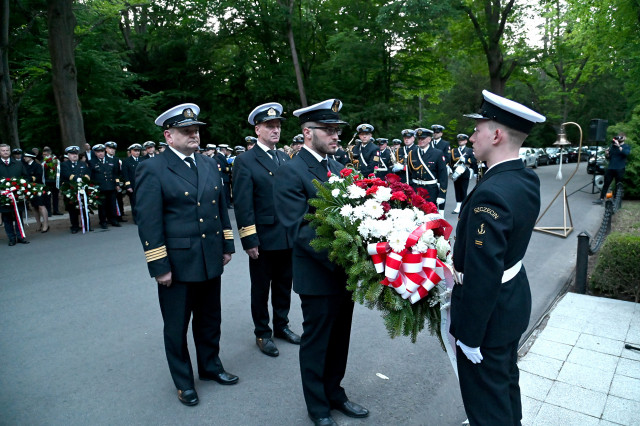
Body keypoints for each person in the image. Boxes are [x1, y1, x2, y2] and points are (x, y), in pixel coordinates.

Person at [449, 90, 545, 426]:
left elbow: (483, 272)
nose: (472, 136)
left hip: (488, 317)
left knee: (486, 405)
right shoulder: (524, 176)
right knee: (504, 388)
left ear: (497, 134)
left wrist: (471, 336)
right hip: (511, 302)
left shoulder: (493, 190)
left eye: (478, 128)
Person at [135, 103, 238, 407]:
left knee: (209, 319)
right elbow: (149, 221)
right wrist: (158, 265)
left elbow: (220, 208)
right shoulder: (152, 168)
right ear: (169, 135)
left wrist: (226, 245)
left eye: (196, 130)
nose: (194, 135)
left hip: (208, 256)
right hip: (177, 264)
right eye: (186, 131)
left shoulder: (207, 164)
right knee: (177, 325)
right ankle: (183, 380)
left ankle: (210, 366)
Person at [274, 99, 369, 426]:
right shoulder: (291, 171)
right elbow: (299, 228)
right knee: (317, 342)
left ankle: (335, 393)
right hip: (318, 274)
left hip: (343, 273)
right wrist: (348, 252)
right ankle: (317, 407)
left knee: (340, 338)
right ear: (306, 132)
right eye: (328, 130)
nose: (335, 136)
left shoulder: (333, 168)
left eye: (337, 130)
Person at [233, 102, 300, 358]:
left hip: (286, 234)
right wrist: (249, 238)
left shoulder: (284, 157)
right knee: (261, 287)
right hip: (263, 236)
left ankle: (281, 325)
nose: (275, 130)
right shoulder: (246, 160)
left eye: (278, 126)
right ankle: (262, 332)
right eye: (270, 126)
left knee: (284, 284)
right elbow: (243, 203)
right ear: (257, 129)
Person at [407, 128, 448, 212]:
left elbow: (443, 175)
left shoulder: (437, 153)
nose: (420, 141)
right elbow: (410, 173)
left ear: (429, 139)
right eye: (419, 139)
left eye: (423, 138)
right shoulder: (412, 153)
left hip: (431, 190)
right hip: (416, 190)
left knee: (429, 218)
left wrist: (442, 195)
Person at [0, 144, 29, 245]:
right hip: (3, 196)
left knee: (18, 216)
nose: (5, 152)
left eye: (7, 150)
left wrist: (20, 186)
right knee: (6, 218)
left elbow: (26, 177)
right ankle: (11, 238)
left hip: (17, 195)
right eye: (3, 150)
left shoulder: (18, 164)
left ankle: (21, 236)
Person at [593, 133, 631, 204]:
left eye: (621, 137)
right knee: (606, 184)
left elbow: (626, 153)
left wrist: (619, 145)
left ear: (624, 138)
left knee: (618, 184)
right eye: (618, 137)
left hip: (620, 168)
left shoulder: (626, 146)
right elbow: (609, 157)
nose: (619, 138)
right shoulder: (613, 146)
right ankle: (601, 199)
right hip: (611, 168)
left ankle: (616, 200)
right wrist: (607, 153)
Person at [60, 146, 91, 233]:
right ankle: (75, 226)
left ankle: (86, 224)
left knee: (84, 207)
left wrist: (85, 179)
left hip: (82, 188)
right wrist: (76, 179)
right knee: (72, 209)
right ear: (68, 155)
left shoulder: (82, 163)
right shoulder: (64, 164)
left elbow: (88, 173)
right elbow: (66, 174)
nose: (75, 155)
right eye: (72, 154)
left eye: (76, 154)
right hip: (71, 189)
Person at [89, 144, 120, 229]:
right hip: (100, 188)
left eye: (102, 151)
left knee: (112, 205)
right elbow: (91, 176)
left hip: (111, 186)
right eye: (98, 152)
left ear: (104, 151)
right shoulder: (92, 162)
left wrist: (117, 184)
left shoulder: (111, 160)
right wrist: (93, 187)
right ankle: (103, 221)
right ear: (95, 153)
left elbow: (115, 174)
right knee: (102, 206)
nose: (100, 153)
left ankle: (114, 220)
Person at [23, 152, 50, 233]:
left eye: (26, 156)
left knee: (41, 206)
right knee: (34, 206)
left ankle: (46, 224)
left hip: (38, 187)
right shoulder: (25, 166)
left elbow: (38, 176)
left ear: (31, 157)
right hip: (30, 188)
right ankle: (38, 224)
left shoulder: (37, 165)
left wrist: (29, 179)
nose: (24, 158)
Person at [450, 134, 477, 214]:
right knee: (457, 189)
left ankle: (464, 206)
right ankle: (458, 206)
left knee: (463, 189)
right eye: (459, 140)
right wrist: (451, 170)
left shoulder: (469, 150)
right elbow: (451, 161)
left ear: (465, 141)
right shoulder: (454, 151)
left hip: (465, 171)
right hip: (456, 171)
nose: (460, 142)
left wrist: (465, 160)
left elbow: (474, 160)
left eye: (462, 140)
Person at [430, 125, 451, 212]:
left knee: (442, 188)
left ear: (441, 133)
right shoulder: (429, 143)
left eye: (437, 132)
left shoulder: (445, 144)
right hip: (431, 169)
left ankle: (441, 211)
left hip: (441, 168)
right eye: (434, 132)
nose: (435, 134)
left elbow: (448, 157)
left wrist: (439, 163)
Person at [105, 141, 127, 222]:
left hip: (116, 182)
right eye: (110, 148)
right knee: (109, 202)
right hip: (108, 183)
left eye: (113, 149)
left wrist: (118, 183)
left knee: (119, 200)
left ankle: (119, 216)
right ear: (106, 149)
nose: (112, 150)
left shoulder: (116, 159)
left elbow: (117, 173)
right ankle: (110, 217)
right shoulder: (104, 159)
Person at [122, 143, 142, 220]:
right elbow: (125, 175)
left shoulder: (142, 160)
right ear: (131, 151)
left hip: (142, 185)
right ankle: (136, 218)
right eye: (135, 150)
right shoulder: (127, 161)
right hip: (133, 185)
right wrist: (128, 186)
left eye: (138, 151)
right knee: (134, 203)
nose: (137, 152)